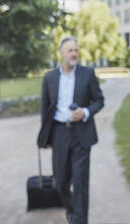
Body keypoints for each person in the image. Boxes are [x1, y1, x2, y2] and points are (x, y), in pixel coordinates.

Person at [37, 37, 104, 224]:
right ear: (61, 53)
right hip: (59, 133)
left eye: (76, 50)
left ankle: (79, 220)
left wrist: (85, 112)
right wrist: (46, 137)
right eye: (70, 50)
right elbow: (45, 109)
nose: (74, 53)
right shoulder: (49, 77)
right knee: (61, 181)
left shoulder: (87, 74)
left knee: (81, 183)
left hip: (82, 134)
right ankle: (73, 212)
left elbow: (99, 100)